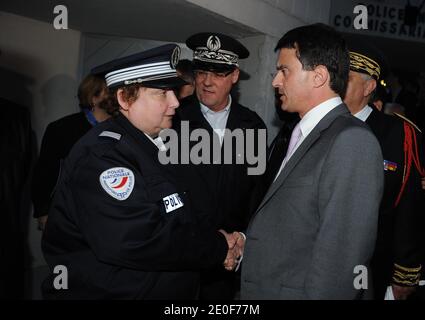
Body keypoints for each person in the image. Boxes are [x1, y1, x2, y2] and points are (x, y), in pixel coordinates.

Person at [41, 44, 242, 300]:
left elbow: (178, 214)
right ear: (124, 98)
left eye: (174, 91)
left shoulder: (151, 142)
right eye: (162, 93)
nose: (175, 102)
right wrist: (217, 247)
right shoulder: (103, 157)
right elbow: (137, 240)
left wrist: (214, 238)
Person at [240, 24, 384, 300]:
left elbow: (340, 262)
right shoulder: (301, 132)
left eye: (284, 71)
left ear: (318, 76)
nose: (275, 82)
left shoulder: (351, 141)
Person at [172, 32, 266, 300]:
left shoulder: (252, 125)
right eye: (202, 71)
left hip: (228, 254)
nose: (207, 81)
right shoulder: (173, 117)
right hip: (181, 250)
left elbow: (256, 189)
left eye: (218, 73)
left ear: (235, 75)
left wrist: (243, 237)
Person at [344, 40, 425, 300]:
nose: (335, 83)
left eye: (345, 78)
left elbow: (409, 205)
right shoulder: (317, 124)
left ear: (369, 87)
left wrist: (405, 272)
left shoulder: (398, 134)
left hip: (372, 264)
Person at [31, 74, 110, 231]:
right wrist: (43, 211)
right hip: (68, 214)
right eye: (108, 92)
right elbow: (44, 173)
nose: (115, 96)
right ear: (93, 98)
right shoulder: (61, 129)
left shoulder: (122, 130)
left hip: (106, 215)